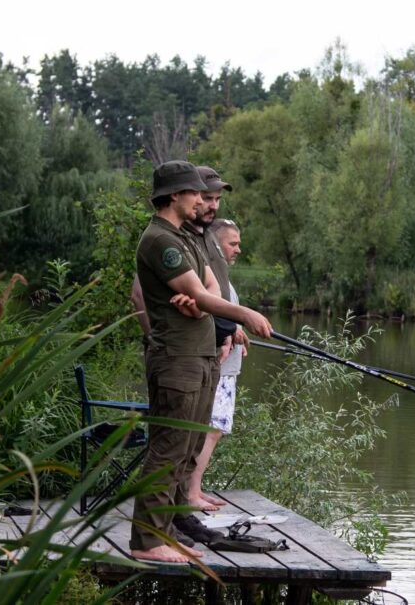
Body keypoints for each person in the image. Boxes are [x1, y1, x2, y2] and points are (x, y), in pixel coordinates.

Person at [129, 160, 271, 564]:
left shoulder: (185, 237)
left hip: (202, 353)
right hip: (177, 357)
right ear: (175, 195)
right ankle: (146, 542)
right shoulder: (162, 241)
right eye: (195, 193)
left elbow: (208, 287)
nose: (202, 200)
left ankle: (166, 529)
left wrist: (199, 308)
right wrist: (244, 314)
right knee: (168, 449)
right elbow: (199, 289)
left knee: (188, 446)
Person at [188, 219, 245, 509]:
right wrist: (229, 332)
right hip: (219, 369)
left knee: (212, 430)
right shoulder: (207, 272)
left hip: (226, 368)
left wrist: (236, 331)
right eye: (232, 243)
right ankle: (191, 493)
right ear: (216, 243)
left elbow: (225, 318)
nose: (238, 249)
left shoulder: (220, 276)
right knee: (210, 430)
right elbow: (211, 314)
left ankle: (193, 489)